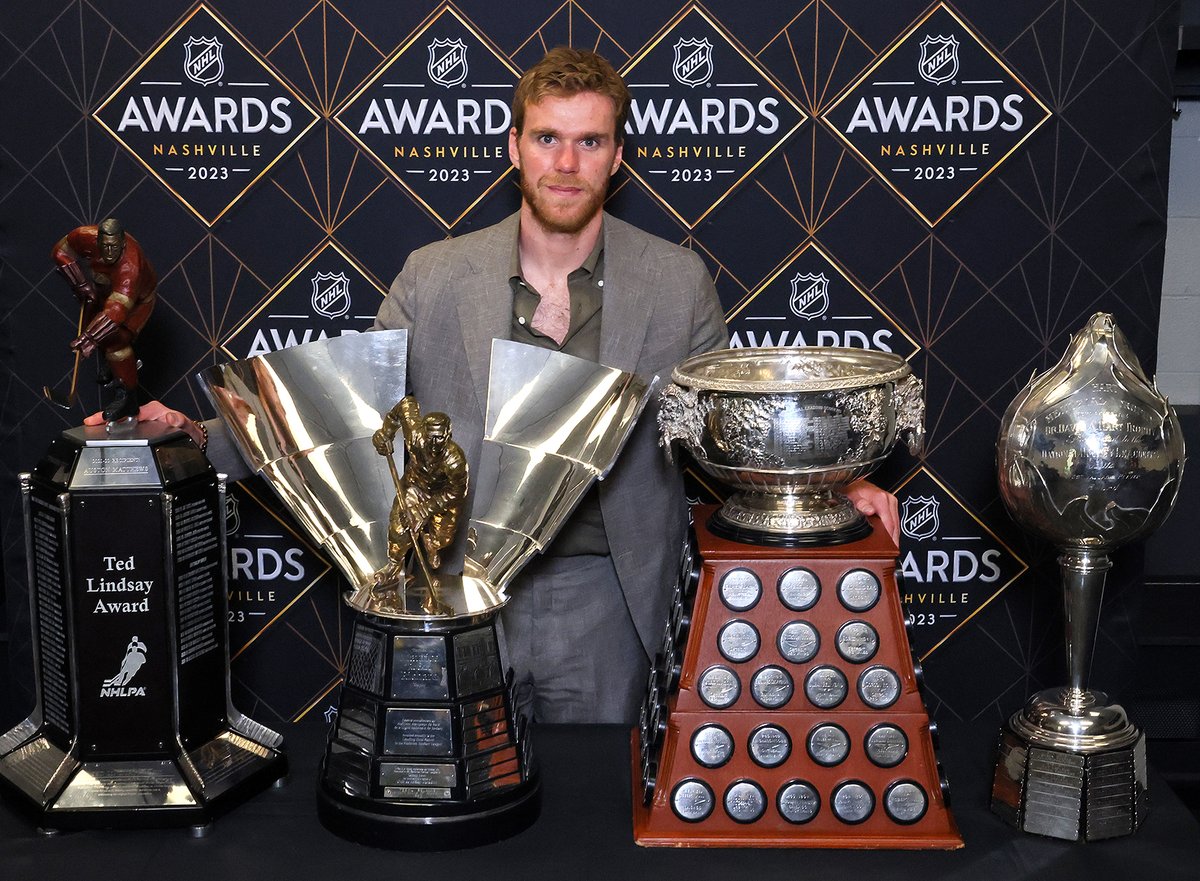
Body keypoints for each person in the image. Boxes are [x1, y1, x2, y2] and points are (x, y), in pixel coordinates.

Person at [98, 48, 899, 724]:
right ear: (513, 145)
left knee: (596, 829)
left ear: (618, 158)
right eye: (548, 138)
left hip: (611, 600)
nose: (566, 163)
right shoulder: (434, 274)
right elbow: (349, 403)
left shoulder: (675, 280)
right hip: (460, 590)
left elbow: (725, 423)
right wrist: (199, 435)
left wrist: (835, 485)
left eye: (590, 143)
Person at [52, 218, 157, 421]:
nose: (109, 252)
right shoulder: (85, 236)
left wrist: (90, 338)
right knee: (96, 325)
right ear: (97, 240)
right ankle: (118, 366)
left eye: (114, 247)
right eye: (105, 246)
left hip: (137, 302)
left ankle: (128, 398)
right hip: (106, 291)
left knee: (116, 341)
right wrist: (79, 283)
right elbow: (59, 252)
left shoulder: (131, 266)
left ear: (123, 244)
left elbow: (116, 311)